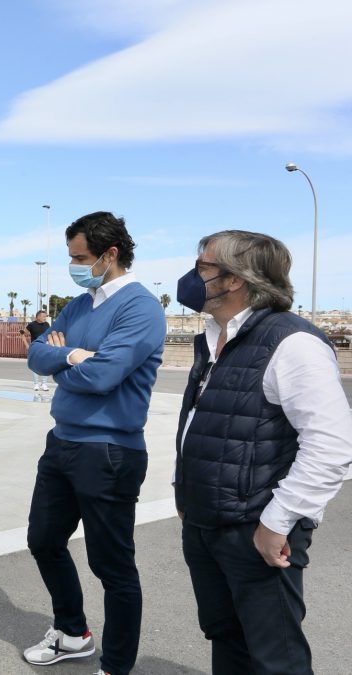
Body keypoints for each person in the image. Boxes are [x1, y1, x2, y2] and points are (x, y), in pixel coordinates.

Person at [174, 230, 352, 674]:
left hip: (256, 527)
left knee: (276, 656)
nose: (193, 278)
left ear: (235, 279)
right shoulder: (214, 335)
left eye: (203, 267)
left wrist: (278, 521)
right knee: (226, 636)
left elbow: (331, 445)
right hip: (205, 520)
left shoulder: (293, 343)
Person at [23, 212, 165, 675]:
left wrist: (65, 360)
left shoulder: (140, 308)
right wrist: (69, 354)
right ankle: (72, 633)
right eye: (70, 257)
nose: (73, 265)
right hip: (62, 442)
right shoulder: (80, 303)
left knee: (112, 566)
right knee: (43, 541)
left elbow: (104, 375)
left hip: (109, 451)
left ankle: (117, 665)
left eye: (80, 257)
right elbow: (35, 354)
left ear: (110, 255)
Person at [22, 309, 52, 391]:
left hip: (45, 347)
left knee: (44, 365)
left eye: (45, 316)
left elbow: (49, 335)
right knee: (35, 366)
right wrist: (27, 345)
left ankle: (44, 384)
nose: (45, 318)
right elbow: (23, 334)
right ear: (38, 317)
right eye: (43, 316)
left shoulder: (47, 324)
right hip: (35, 347)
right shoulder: (31, 325)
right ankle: (36, 384)